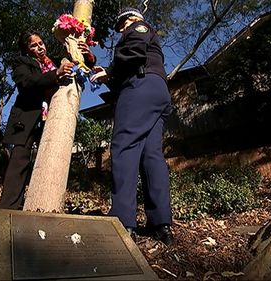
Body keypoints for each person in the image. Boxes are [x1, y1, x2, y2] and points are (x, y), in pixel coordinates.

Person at [90, 8, 174, 245]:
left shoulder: (138, 27)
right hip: (157, 91)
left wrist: (110, 71)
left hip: (140, 86)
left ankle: (124, 220)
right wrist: (110, 76)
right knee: (151, 155)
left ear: (131, 18)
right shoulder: (147, 34)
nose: (120, 29)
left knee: (124, 148)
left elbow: (134, 53)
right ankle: (160, 224)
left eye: (121, 24)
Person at [0, 30, 96, 210]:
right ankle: (8, 209)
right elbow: (27, 82)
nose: (39, 47)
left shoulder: (56, 61)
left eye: (41, 43)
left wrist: (89, 57)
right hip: (27, 118)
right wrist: (55, 74)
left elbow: (78, 62)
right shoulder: (22, 63)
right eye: (33, 45)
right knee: (19, 161)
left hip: (52, 119)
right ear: (27, 50)